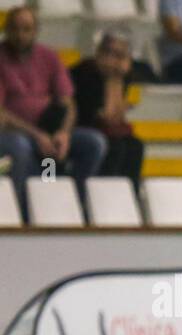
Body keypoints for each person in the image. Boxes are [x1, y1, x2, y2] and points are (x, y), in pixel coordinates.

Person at [0, 7, 106, 219]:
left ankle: (72, 204)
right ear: (6, 30)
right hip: (14, 132)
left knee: (94, 142)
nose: (21, 35)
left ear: (36, 30)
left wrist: (64, 133)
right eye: (16, 29)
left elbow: (68, 103)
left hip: (49, 130)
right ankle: (21, 214)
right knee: (21, 148)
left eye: (26, 29)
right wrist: (37, 135)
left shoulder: (49, 57)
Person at [70, 31, 145, 188]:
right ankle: (102, 195)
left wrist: (117, 78)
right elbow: (105, 117)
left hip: (101, 128)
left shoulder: (122, 76)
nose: (113, 60)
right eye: (109, 53)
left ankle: (130, 197)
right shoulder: (84, 72)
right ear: (99, 52)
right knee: (114, 147)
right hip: (78, 127)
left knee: (135, 146)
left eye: (120, 56)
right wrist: (112, 79)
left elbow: (116, 120)